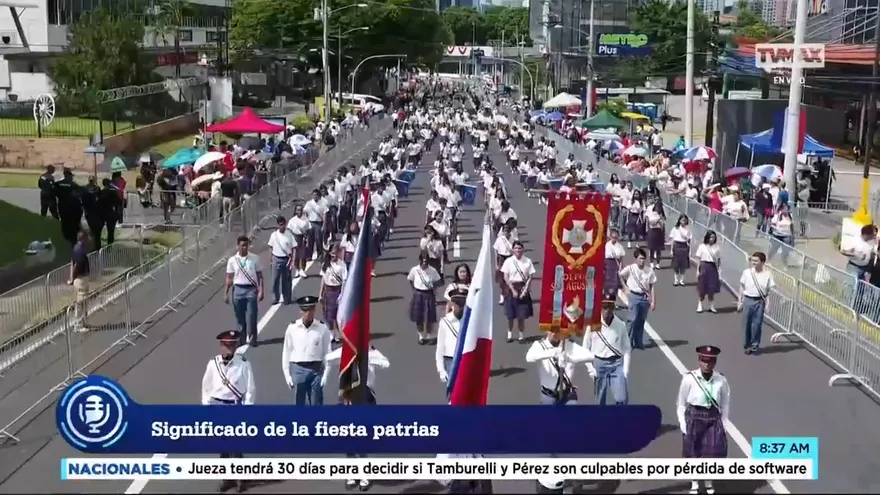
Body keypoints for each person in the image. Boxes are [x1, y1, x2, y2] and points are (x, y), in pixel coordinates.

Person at [322, 345, 390, 491]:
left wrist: (368, 358)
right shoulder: (344, 351)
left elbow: (386, 363)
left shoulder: (370, 352)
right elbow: (327, 359)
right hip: (346, 396)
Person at [201, 330, 255, 493]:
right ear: (221, 346)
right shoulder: (213, 364)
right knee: (222, 446)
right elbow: (206, 388)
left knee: (236, 445)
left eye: (232, 345)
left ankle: (241, 478)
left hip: (235, 407)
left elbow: (250, 389)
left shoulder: (243, 363)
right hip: (217, 407)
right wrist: (206, 409)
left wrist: (247, 410)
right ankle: (227, 478)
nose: (230, 348)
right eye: (227, 345)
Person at [676, 345, 729, 495]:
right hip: (694, 416)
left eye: (710, 362)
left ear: (715, 363)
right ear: (699, 361)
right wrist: (682, 424)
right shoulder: (689, 379)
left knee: (712, 452)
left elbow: (725, 403)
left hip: (712, 417)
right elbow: (680, 403)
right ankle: (694, 482)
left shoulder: (721, 380)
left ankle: (708, 482)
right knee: (693, 452)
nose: (707, 364)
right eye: (704, 361)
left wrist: (723, 423)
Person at [282, 295, 332, 405]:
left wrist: (326, 375)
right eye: (305, 310)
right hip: (298, 369)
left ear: (314, 310)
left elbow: (327, 354)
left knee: (316, 403)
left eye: (310, 309)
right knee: (299, 404)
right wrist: (287, 375)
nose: (308, 313)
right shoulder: (292, 328)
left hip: (316, 369)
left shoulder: (322, 328)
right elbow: (287, 352)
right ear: (301, 311)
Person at [525, 330, 594, 405]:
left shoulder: (569, 345)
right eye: (551, 330)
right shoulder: (539, 345)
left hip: (567, 394)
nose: (554, 333)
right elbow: (529, 358)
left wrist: (572, 359)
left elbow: (590, 356)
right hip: (549, 395)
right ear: (546, 331)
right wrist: (554, 352)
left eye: (557, 330)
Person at [583, 300, 631, 406]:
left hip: (616, 363)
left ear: (613, 308)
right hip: (599, 363)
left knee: (622, 398)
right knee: (600, 400)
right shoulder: (593, 324)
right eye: (604, 307)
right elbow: (585, 348)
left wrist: (625, 370)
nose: (607, 311)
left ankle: (621, 420)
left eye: (609, 307)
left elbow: (627, 348)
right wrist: (590, 369)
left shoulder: (620, 325)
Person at [224, 235, 264, 347]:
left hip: (251, 289)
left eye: (246, 245)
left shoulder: (254, 258)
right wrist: (226, 293)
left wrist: (261, 290)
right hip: (238, 290)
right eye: (242, 245)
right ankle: (241, 339)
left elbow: (260, 275)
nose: (245, 248)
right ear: (237, 246)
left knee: (252, 316)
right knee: (239, 318)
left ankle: (252, 339)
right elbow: (229, 277)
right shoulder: (232, 260)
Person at [737, 251, 775, 354]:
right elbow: (742, 286)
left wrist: (768, 304)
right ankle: (747, 345)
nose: (753, 262)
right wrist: (739, 301)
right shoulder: (747, 272)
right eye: (752, 260)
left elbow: (769, 291)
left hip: (760, 301)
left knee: (757, 324)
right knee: (747, 324)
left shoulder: (768, 275)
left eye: (756, 261)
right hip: (748, 299)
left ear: (762, 262)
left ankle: (755, 345)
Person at [619, 248, 656, 350]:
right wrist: (625, 287)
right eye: (640, 258)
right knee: (633, 320)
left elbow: (652, 286)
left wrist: (653, 301)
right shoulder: (631, 268)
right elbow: (620, 275)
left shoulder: (649, 271)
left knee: (641, 320)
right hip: (634, 296)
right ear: (636, 259)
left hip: (644, 297)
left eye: (643, 259)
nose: (642, 261)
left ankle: (638, 342)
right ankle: (628, 342)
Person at [500, 240, 536, 343]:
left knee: (522, 315)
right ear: (513, 250)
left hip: (523, 287)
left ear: (523, 249)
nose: (518, 250)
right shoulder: (508, 261)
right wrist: (512, 289)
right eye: (516, 248)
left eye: (520, 248)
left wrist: (526, 289)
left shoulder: (528, 261)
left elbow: (530, 276)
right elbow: (505, 277)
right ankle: (509, 335)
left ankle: (521, 335)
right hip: (511, 288)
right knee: (510, 315)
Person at [408, 250, 443, 344]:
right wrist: (414, 290)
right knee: (418, 317)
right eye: (422, 261)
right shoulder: (414, 270)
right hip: (418, 294)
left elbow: (439, 281)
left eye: (426, 261)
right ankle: (421, 336)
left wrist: (433, 285)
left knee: (429, 317)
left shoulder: (432, 270)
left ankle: (429, 334)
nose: (424, 263)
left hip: (429, 294)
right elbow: (410, 280)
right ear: (419, 260)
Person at [436, 289, 466, 395]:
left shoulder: (471, 322)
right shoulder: (445, 321)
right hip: (450, 360)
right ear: (453, 304)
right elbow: (440, 347)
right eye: (459, 304)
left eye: (463, 304)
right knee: (454, 392)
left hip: (466, 359)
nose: (461, 307)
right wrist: (441, 370)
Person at [319, 244, 348, 342]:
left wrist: (341, 294)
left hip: (337, 290)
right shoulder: (326, 264)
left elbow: (344, 281)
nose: (333, 256)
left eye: (335, 254)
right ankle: (332, 333)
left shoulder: (342, 264)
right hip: (328, 290)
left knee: (338, 314)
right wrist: (320, 293)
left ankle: (339, 333)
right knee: (328, 314)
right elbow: (323, 279)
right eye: (332, 254)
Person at [267, 216, 296, 305]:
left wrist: (293, 260)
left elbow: (294, 248)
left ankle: (287, 298)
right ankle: (275, 297)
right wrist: (270, 260)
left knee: (286, 280)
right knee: (275, 280)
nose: (282, 226)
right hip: (276, 258)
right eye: (280, 225)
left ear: (285, 224)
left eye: (283, 224)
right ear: (278, 225)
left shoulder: (289, 235)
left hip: (287, 259)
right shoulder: (274, 235)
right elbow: (270, 248)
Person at [68, 231, 91, 332]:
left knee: (83, 302)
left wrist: (71, 277)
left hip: (80, 278)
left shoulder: (76, 248)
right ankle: (78, 325)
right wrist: (72, 278)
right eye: (87, 238)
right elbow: (76, 265)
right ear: (83, 239)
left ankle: (82, 322)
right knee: (81, 302)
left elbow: (72, 263)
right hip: (80, 278)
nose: (88, 240)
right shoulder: (80, 250)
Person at [669, 215, 692, 286]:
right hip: (677, 247)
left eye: (685, 220)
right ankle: (676, 280)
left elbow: (689, 240)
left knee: (683, 265)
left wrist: (690, 250)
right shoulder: (675, 229)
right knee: (676, 265)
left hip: (684, 247)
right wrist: (671, 250)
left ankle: (681, 280)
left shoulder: (688, 229)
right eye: (682, 220)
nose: (683, 222)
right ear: (679, 220)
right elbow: (672, 240)